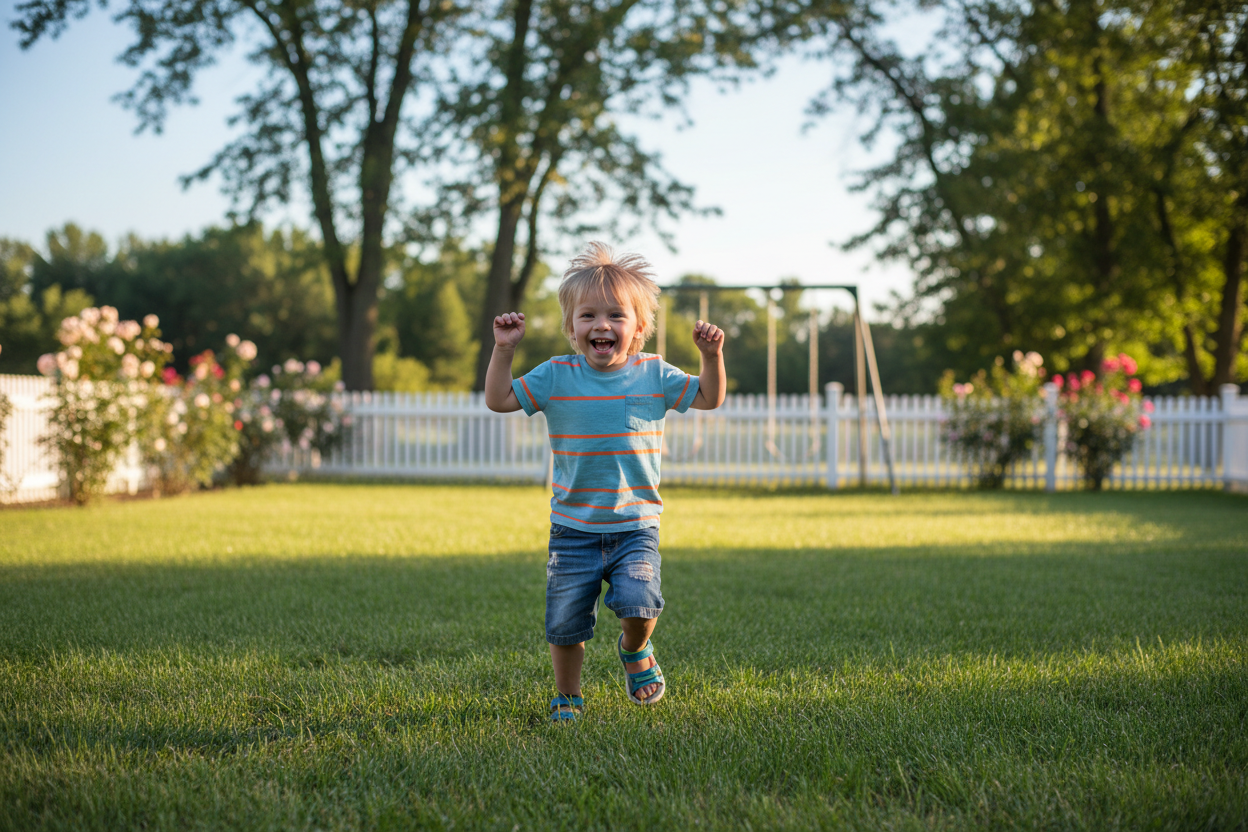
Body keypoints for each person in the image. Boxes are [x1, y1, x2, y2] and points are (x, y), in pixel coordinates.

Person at [484, 242, 726, 721]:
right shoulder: (556, 375)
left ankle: (635, 650)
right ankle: (568, 694)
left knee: (640, 603)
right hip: (572, 528)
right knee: (566, 623)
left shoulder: (654, 374)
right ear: (572, 328)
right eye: (588, 316)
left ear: (638, 328)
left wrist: (711, 357)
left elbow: (709, 398)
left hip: (635, 525)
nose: (601, 325)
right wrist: (503, 350)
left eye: (616, 316)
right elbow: (499, 400)